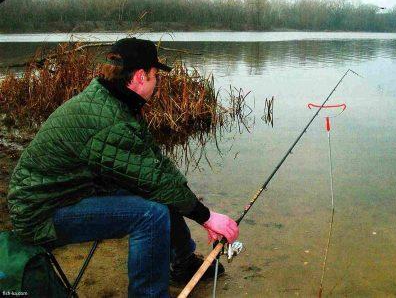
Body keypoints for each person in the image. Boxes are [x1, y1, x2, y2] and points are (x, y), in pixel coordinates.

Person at [7, 38, 239, 297]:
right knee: (151, 215)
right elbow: (155, 180)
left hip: (70, 192)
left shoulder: (113, 102)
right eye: (154, 76)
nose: (156, 82)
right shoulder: (110, 120)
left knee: (158, 194)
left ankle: (183, 263)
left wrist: (198, 210)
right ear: (140, 76)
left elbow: (156, 166)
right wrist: (207, 217)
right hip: (41, 214)